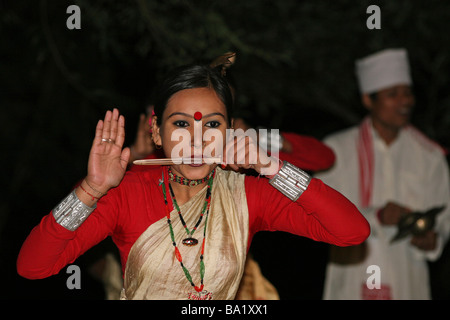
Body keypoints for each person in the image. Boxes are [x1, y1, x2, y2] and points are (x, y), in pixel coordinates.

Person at [17, 63, 369, 300]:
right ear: (156, 131)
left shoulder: (248, 193)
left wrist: (271, 166)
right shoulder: (127, 193)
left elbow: (351, 232)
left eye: (212, 125)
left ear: (231, 132)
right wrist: (91, 189)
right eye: (181, 124)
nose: (197, 141)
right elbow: (33, 267)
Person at [316, 48, 450, 300]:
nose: (405, 102)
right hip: (351, 279)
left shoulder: (430, 156)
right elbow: (318, 215)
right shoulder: (335, 149)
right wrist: (375, 216)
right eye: (393, 95)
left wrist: (433, 239)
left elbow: (444, 218)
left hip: (407, 279)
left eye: (407, 93)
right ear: (368, 100)